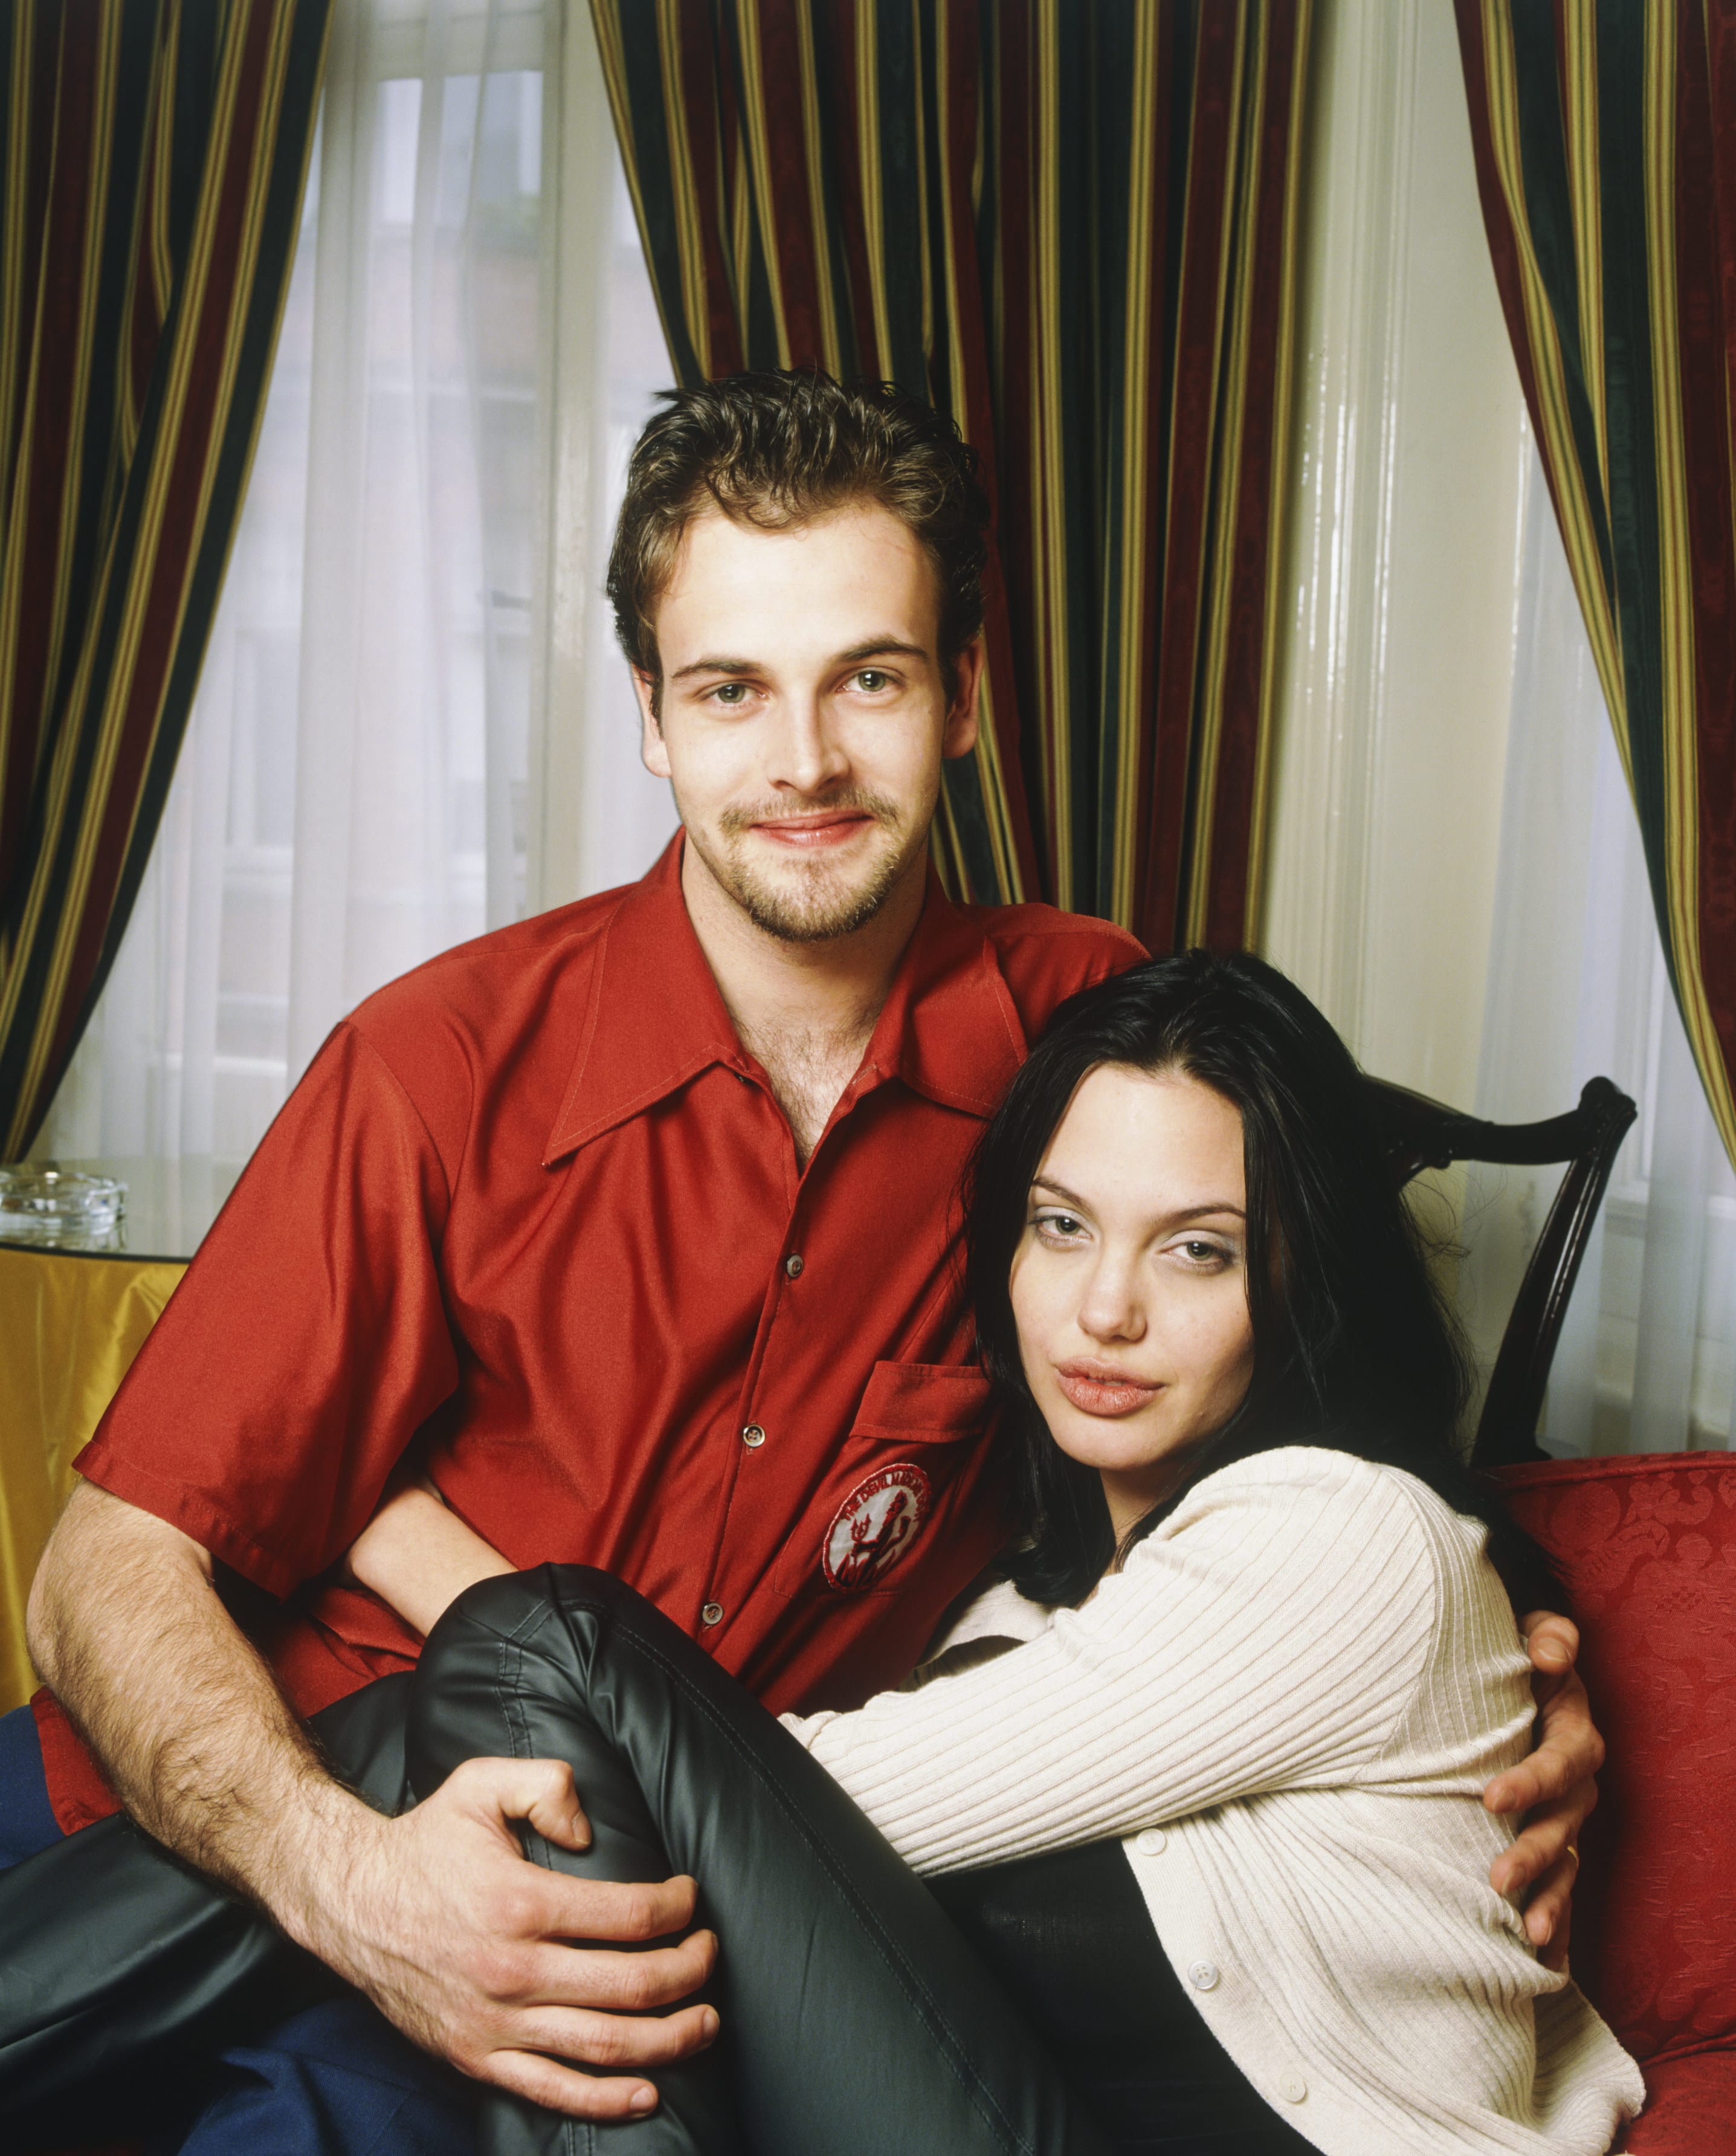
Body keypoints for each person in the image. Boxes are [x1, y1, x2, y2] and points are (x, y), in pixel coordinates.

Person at [5, 373, 1598, 2147]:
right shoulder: (439, 1061)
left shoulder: (1086, 1043)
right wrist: (348, 1881)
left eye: (872, 679)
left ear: (964, 695)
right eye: (731, 690)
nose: (806, 763)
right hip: (216, 1802)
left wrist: (1522, 1668)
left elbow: (1325, 1382)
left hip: (645, 1909)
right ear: (649, 716)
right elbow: (104, 1575)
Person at [329, 949, 1649, 2154]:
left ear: (1307, 1280)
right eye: (1062, 1224)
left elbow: (772, 1821)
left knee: (541, 1652)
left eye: (1198, 1251)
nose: (1105, 1309)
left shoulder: (1340, 1532)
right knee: (510, 1731)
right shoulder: (1017, 1604)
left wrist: (370, 1531)